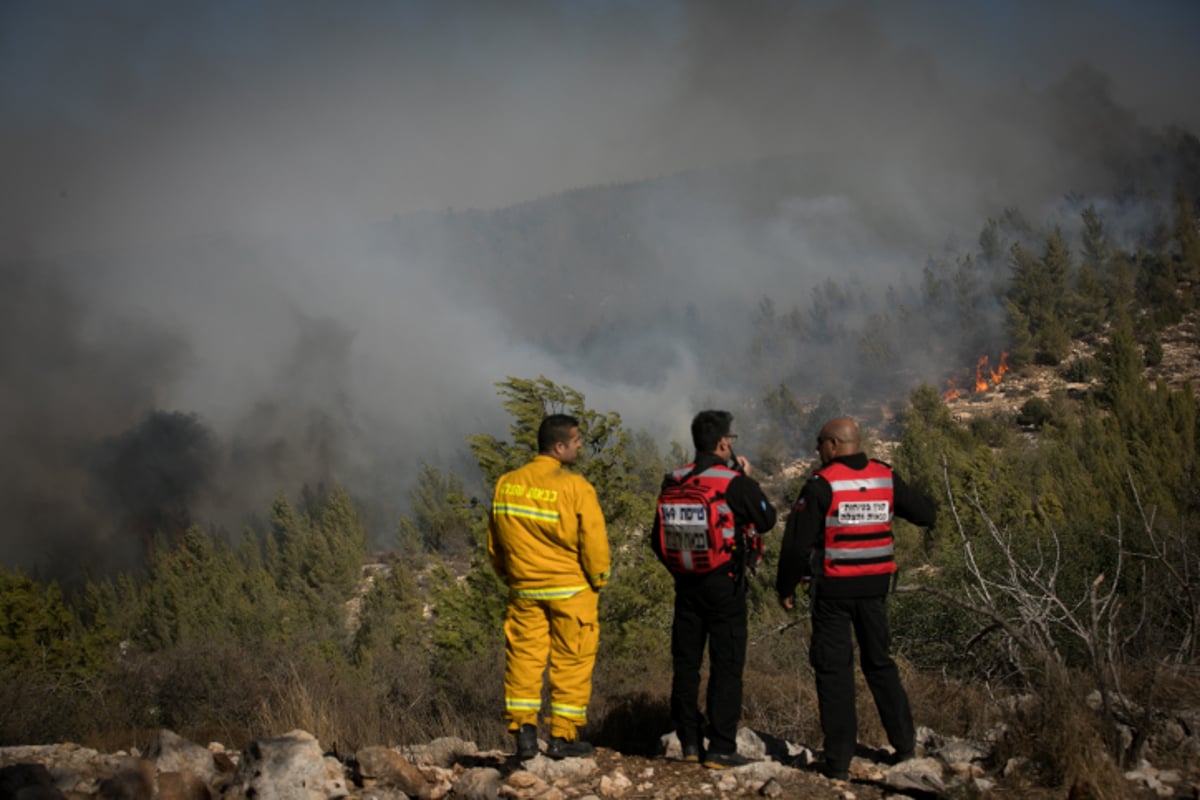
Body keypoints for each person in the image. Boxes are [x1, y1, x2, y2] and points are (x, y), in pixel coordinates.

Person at [776, 417, 936, 780]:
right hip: (876, 591)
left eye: (819, 443)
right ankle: (905, 746)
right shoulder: (884, 476)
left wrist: (785, 587)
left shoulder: (821, 484)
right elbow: (925, 513)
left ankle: (838, 762)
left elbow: (796, 544)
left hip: (833, 593)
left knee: (834, 673)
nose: (817, 451)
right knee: (880, 665)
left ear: (833, 444)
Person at [651, 410, 777, 769]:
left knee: (686, 664)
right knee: (726, 664)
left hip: (685, 586)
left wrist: (680, 569)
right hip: (725, 585)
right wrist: (745, 479)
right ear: (724, 442)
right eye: (731, 439)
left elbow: (656, 539)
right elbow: (766, 519)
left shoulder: (673, 480)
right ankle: (721, 747)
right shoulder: (733, 481)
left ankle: (689, 742)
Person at [488, 414, 612, 760]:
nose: (580, 445)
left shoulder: (507, 484)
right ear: (559, 447)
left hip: (524, 591)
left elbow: (496, 544)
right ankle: (563, 736)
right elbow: (594, 543)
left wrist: (513, 577)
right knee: (571, 661)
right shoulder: (576, 488)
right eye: (576, 441)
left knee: (524, 660)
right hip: (571, 591)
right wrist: (598, 578)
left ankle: (524, 734)